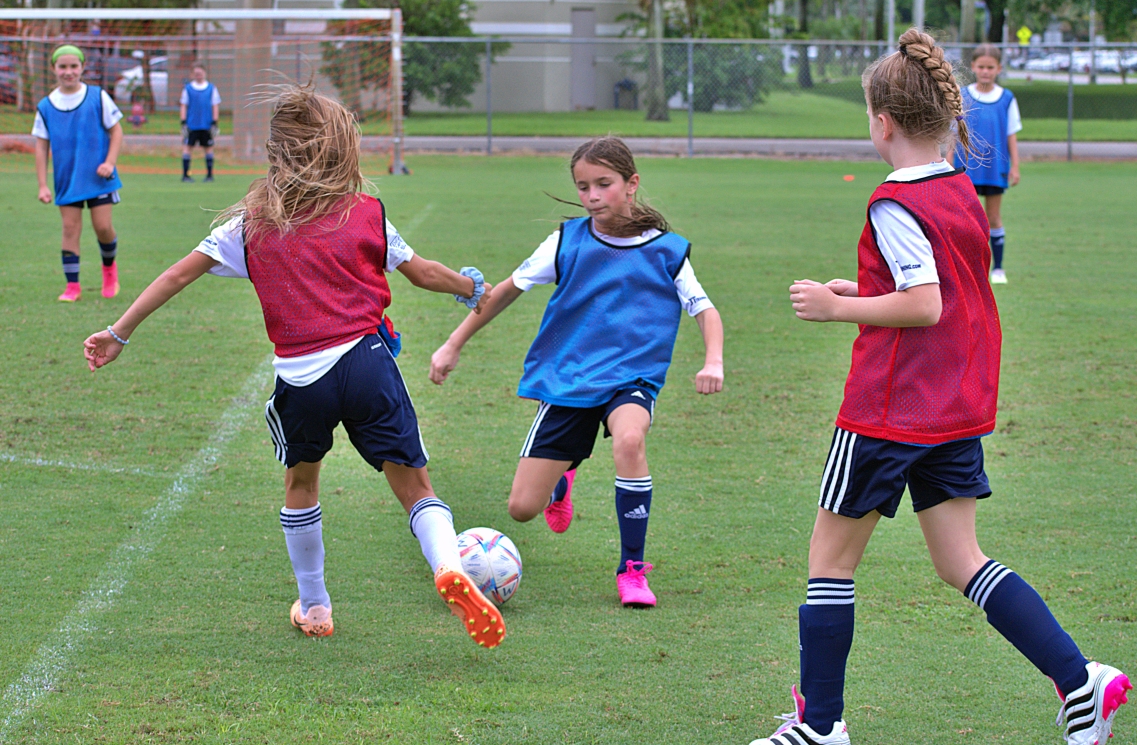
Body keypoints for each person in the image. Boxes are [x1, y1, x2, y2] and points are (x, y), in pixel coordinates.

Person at [747, 29, 1129, 745]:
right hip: (952, 405)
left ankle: (821, 726)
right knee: (961, 560)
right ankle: (1080, 680)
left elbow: (923, 304)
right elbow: (946, 292)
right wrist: (865, 289)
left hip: (890, 410)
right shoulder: (957, 188)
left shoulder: (895, 201)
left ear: (881, 122)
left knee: (829, 565)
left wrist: (837, 311)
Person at [83, 85, 508, 649]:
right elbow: (426, 272)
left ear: (276, 154)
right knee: (414, 486)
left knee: (301, 482)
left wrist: (119, 332)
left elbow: (175, 276)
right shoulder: (367, 213)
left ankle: (314, 604)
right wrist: (470, 287)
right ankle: (447, 566)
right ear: (341, 152)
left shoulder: (248, 225)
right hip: (367, 363)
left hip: (301, 379)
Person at [429, 136, 724, 608]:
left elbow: (705, 310)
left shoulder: (668, 251)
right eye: (583, 186)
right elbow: (505, 290)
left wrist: (714, 361)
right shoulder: (567, 241)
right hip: (570, 379)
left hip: (631, 378)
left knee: (630, 440)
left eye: (603, 184)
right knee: (522, 508)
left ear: (631, 185)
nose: (591, 196)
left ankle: (632, 570)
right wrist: (452, 343)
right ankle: (562, 475)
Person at [33, 44, 123, 302]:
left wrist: (110, 162)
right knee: (70, 229)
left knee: (103, 227)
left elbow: (116, 131)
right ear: (53, 69)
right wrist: (42, 184)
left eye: (74, 66)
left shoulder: (98, 96)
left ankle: (109, 271)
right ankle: (72, 286)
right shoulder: (46, 105)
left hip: (99, 178)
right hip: (67, 180)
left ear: (83, 67)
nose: (69, 71)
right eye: (63, 66)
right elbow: (41, 146)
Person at [952, 43, 1021, 285]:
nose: (985, 71)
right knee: (965, 220)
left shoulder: (1007, 98)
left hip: (994, 169)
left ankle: (998, 269)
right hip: (966, 168)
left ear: (999, 69)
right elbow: (954, 132)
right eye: (981, 66)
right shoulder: (962, 95)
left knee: (993, 217)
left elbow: (1011, 134)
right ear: (973, 67)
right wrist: (949, 164)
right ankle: (966, 269)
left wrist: (1015, 166)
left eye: (990, 67)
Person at [180, 64, 221, 183]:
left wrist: (214, 121)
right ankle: (186, 175)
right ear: (193, 74)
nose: (198, 75)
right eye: (196, 73)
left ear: (205, 73)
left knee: (208, 149)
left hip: (206, 124)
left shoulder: (211, 88)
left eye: (200, 73)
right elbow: (184, 105)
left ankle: (209, 175)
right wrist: (183, 122)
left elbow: (215, 105)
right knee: (187, 148)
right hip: (192, 124)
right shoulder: (188, 88)